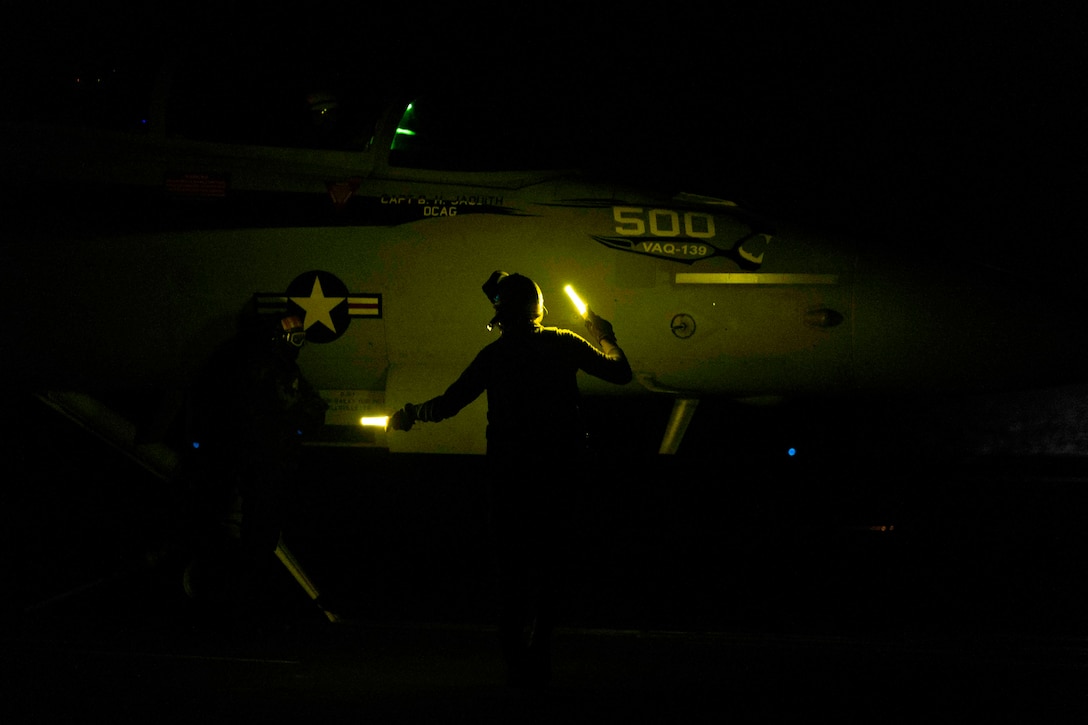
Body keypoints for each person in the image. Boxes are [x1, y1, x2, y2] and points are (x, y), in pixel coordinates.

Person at [389, 271, 632, 687]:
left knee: (511, 572)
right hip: (561, 477)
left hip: (509, 480)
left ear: (500, 314)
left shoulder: (494, 356)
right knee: (551, 568)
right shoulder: (564, 343)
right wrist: (606, 335)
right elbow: (619, 372)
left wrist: (412, 413)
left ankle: (517, 663)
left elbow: (449, 404)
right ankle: (540, 655)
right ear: (539, 308)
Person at [179, 307, 328, 633]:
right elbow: (300, 409)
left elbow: (312, 410)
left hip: (258, 471)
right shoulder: (258, 367)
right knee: (243, 540)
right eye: (291, 330)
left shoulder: (273, 365)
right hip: (248, 473)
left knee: (251, 539)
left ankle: (236, 614)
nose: (297, 338)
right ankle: (234, 616)